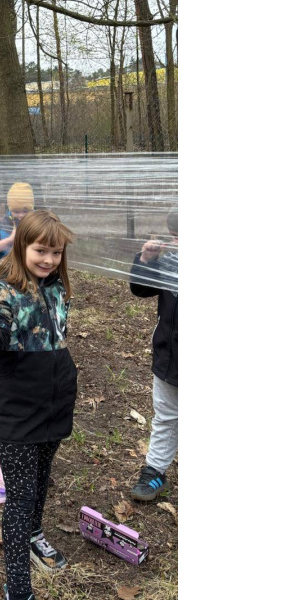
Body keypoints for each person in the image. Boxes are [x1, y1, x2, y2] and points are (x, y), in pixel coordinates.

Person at [0, 210, 78, 600]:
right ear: (22, 245)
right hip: (17, 409)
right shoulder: (4, 289)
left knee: (41, 479)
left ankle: (34, 535)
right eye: (40, 250)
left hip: (55, 400)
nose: (48, 259)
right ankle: (17, 599)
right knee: (19, 498)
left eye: (56, 252)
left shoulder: (57, 287)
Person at [129, 208, 178, 502]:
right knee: (166, 416)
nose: (178, 242)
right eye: (175, 236)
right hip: (171, 357)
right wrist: (146, 260)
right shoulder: (171, 262)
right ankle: (155, 470)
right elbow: (140, 289)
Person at [0, 182, 37, 260]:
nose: (21, 215)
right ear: (10, 209)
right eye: (16, 211)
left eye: (25, 211)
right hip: (8, 267)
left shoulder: (40, 222)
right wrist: (10, 239)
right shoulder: (0, 225)